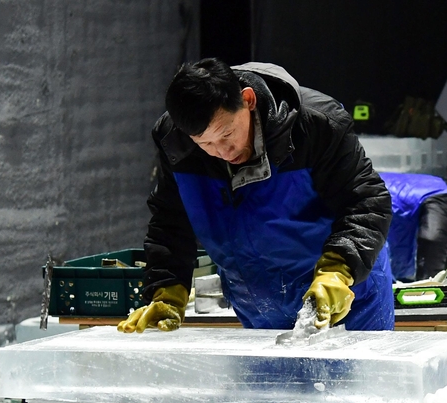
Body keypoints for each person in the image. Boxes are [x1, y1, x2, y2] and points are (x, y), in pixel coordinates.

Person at [119, 59, 393, 333]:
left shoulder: (317, 125)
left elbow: (367, 202)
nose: (222, 151)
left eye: (227, 134)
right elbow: (170, 220)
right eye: (205, 144)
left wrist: (337, 271)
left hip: (344, 294)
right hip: (257, 303)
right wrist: (167, 289)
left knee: (356, 376)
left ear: (247, 99)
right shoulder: (175, 143)